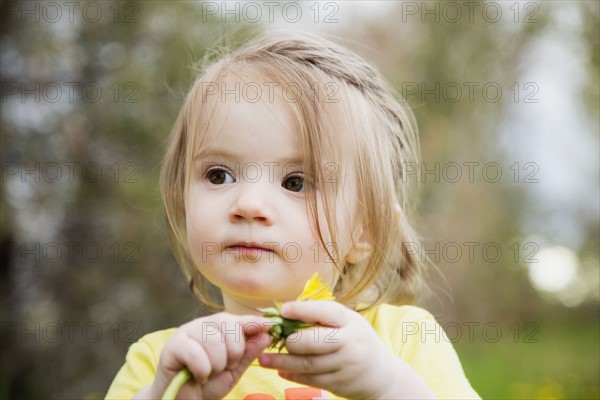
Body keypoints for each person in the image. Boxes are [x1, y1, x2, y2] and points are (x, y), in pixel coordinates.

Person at [106, 31, 480, 399]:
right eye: (219, 175)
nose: (249, 204)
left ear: (365, 229)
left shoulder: (402, 342)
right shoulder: (160, 363)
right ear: (181, 199)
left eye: (296, 182)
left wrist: (389, 387)